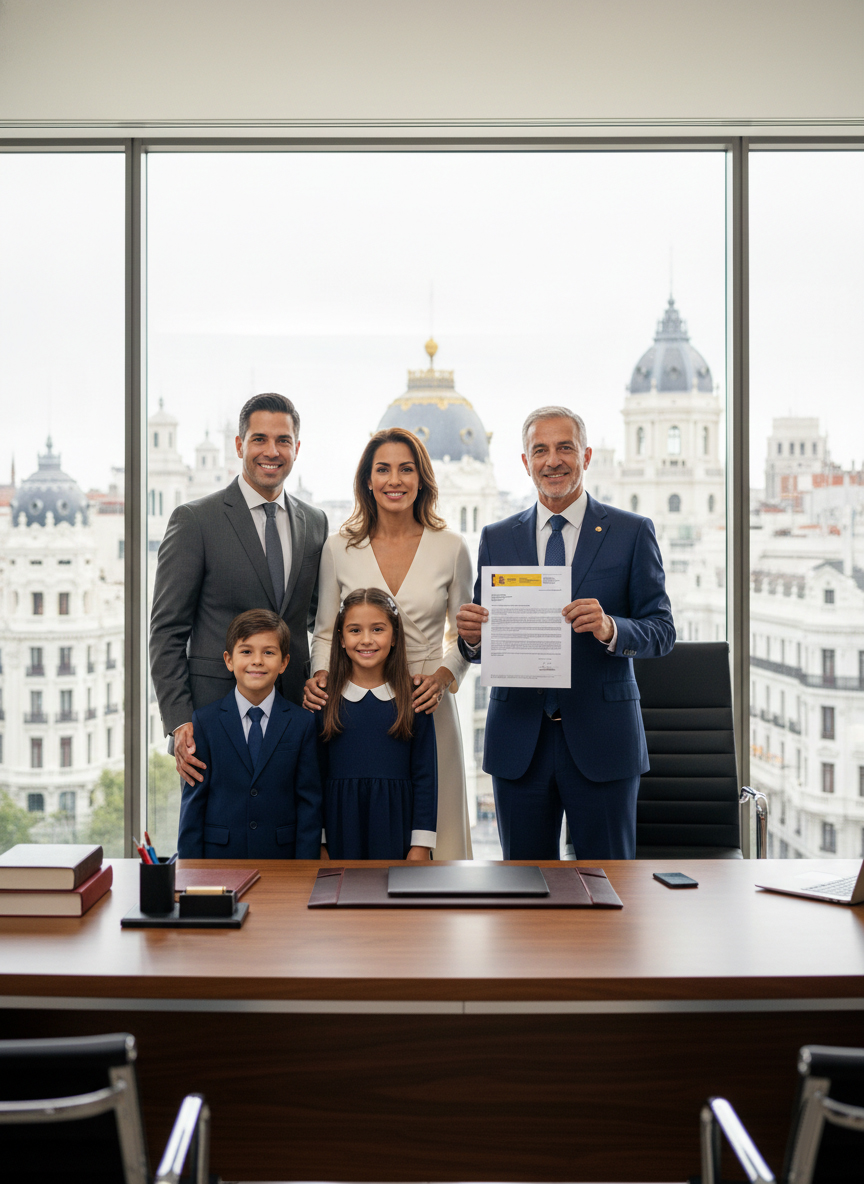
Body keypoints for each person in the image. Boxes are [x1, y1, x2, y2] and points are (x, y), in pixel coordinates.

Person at [456, 406, 675, 860]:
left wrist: (612, 627)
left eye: (565, 448)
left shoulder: (631, 532)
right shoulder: (497, 537)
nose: (552, 460)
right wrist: (472, 637)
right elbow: (480, 642)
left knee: (609, 885)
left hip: (603, 739)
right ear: (525, 462)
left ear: (586, 456)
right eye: (540, 450)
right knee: (523, 887)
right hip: (519, 741)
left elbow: (662, 629)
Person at [303, 427, 474, 860]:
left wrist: (443, 676)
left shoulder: (451, 547)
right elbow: (325, 630)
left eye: (405, 469)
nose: (394, 480)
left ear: (422, 479)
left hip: (425, 703)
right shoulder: (339, 547)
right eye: (383, 469)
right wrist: (322, 681)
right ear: (367, 480)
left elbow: (467, 636)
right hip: (356, 708)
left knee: (435, 835)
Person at [150, 392, 328, 789]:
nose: (272, 451)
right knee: (214, 844)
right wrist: (180, 721)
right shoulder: (195, 520)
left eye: (283, 440)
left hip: (295, 717)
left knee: (292, 839)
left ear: (296, 448)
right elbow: (167, 631)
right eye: (260, 439)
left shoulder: (314, 522)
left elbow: (318, 618)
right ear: (239, 445)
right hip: (213, 721)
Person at [177, 609, 323, 859]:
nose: (257, 660)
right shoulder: (204, 721)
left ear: (284, 662)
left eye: (268, 652)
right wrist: (191, 874)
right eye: (246, 651)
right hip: (219, 863)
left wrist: (305, 870)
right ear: (229, 660)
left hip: (282, 861)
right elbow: (193, 806)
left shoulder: (302, 723)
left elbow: (309, 804)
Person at [318, 588, 437, 861]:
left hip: (398, 828)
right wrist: (319, 841)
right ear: (341, 638)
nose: (367, 640)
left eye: (378, 629)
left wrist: (420, 845)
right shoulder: (324, 700)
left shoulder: (415, 698)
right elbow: (314, 779)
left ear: (394, 636)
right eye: (355, 630)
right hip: (340, 829)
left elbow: (426, 777)